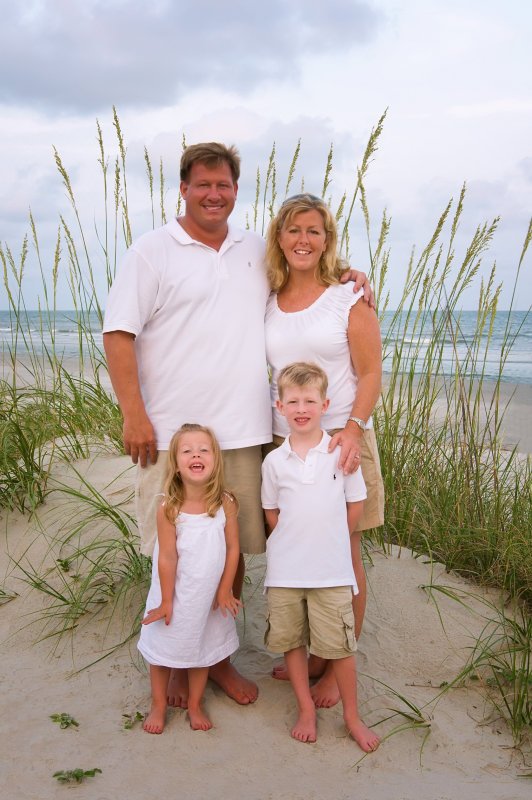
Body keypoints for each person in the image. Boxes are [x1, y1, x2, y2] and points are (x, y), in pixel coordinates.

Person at [103, 143, 373, 707]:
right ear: (183, 188)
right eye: (203, 184)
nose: (213, 194)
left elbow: (308, 280)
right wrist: (134, 413)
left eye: (224, 185)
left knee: (233, 549)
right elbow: (119, 332)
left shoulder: (257, 249)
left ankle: (218, 659)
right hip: (176, 434)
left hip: (249, 433)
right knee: (173, 548)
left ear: (235, 190)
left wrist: (348, 275)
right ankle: (175, 660)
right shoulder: (152, 251)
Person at [264, 192, 384, 707]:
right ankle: (313, 656)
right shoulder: (267, 297)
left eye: (314, 231)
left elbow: (372, 371)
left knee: (344, 551)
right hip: (288, 444)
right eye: (293, 230)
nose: (303, 240)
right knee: (298, 548)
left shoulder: (346, 298)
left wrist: (354, 429)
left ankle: (336, 670)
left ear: (327, 239)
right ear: (280, 238)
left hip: (341, 442)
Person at [261, 362, 380, 752]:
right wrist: (290, 542)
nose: (301, 407)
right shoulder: (273, 462)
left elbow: (356, 503)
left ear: (325, 404)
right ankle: (305, 708)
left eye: (309, 400)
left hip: (331, 571)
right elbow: (271, 512)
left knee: (340, 646)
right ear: (279, 406)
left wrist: (333, 537)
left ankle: (352, 717)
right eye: (292, 400)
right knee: (292, 642)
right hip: (285, 573)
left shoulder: (339, 452)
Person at [138, 423, 242, 734]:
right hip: (174, 593)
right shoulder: (169, 508)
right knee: (162, 650)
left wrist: (225, 590)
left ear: (215, 459)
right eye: (187, 451)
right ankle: (158, 705)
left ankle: (195, 704)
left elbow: (234, 549)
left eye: (203, 450)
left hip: (207, 596)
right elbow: (167, 557)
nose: (196, 454)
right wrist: (166, 600)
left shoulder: (225, 503)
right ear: (177, 464)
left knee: (202, 649)